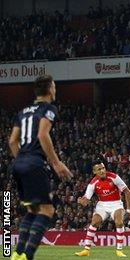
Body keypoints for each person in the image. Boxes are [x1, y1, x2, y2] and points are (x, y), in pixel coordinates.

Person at [9, 75, 73, 260]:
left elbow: (13, 141)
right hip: (34, 163)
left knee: (33, 210)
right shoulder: (49, 109)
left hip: (19, 162)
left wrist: (21, 159)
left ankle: (17, 253)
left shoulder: (23, 111)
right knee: (47, 210)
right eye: (54, 86)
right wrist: (56, 162)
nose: (55, 89)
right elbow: (43, 135)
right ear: (49, 89)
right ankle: (27, 256)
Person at [74, 160, 130, 257]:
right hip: (102, 205)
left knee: (119, 222)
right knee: (94, 222)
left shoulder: (114, 177)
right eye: (99, 169)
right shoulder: (93, 183)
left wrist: (129, 209)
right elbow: (86, 200)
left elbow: (128, 192)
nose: (102, 171)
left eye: (103, 168)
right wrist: (81, 201)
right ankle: (86, 250)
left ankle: (119, 250)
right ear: (94, 172)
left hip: (116, 204)